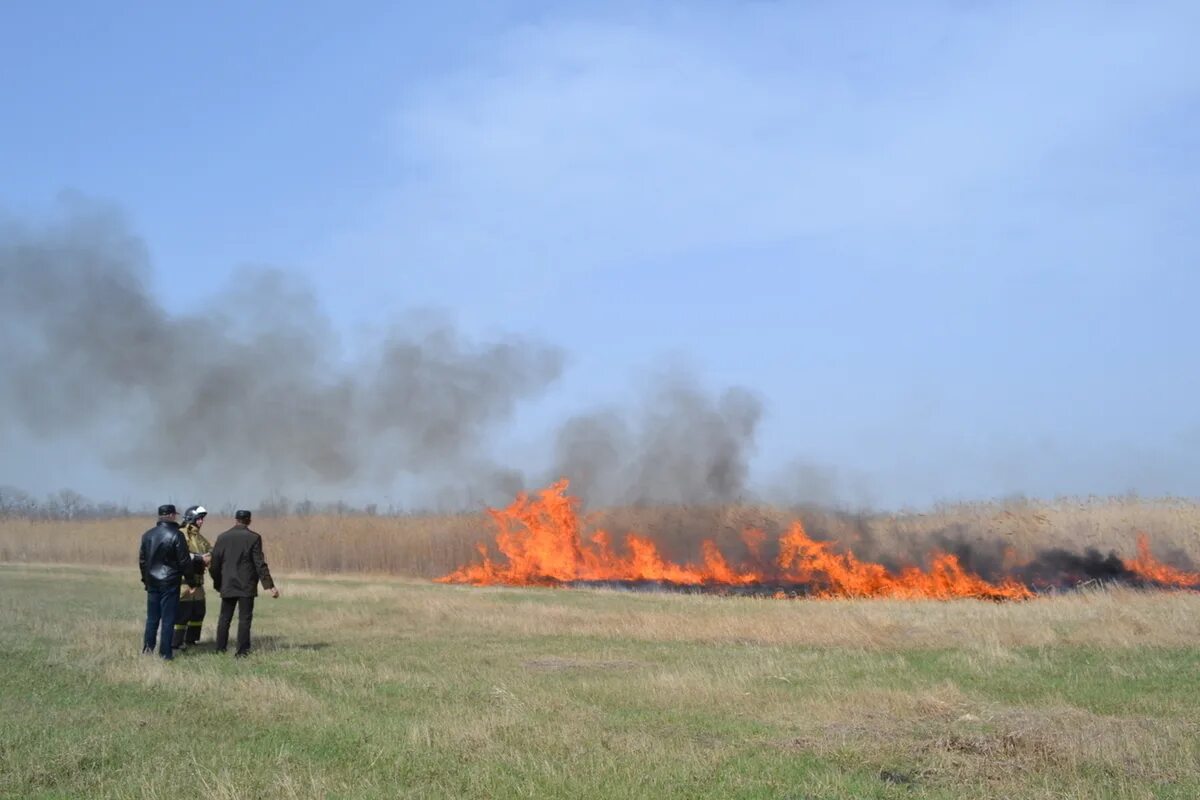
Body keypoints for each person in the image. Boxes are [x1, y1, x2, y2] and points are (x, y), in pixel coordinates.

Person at [209, 509, 279, 657]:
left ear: (235, 520)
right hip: (246, 585)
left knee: (224, 618)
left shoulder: (222, 537)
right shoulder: (254, 538)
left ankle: (220, 649)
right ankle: (242, 652)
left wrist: (218, 582)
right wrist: (269, 585)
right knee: (244, 619)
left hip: (227, 584)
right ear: (249, 520)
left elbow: (214, 563)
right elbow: (259, 564)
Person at [138, 504, 195, 660]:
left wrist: (146, 580)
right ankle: (165, 654)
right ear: (170, 515)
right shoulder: (177, 535)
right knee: (168, 620)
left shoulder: (147, 535)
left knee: (152, 619)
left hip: (152, 582)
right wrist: (191, 581)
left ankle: (148, 650)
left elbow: (142, 561)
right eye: (174, 515)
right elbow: (184, 562)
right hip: (170, 582)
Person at [172, 505, 213, 652]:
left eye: (202, 519)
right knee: (183, 612)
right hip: (184, 582)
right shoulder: (181, 534)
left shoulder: (200, 538)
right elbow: (180, 555)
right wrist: (200, 558)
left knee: (198, 611)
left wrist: (211, 557)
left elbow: (210, 551)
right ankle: (176, 642)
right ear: (191, 518)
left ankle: (191, 640)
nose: (202, 522)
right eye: (199, 518)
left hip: (198, 582)